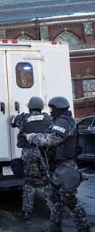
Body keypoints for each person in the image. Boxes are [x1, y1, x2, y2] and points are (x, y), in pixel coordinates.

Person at [27, 97, 90, 232]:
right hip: (54, 168)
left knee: (70, 200)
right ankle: (55, 227)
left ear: (58, 108)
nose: (50, 112)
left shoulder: (64, 122)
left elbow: (52, 139)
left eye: (52, 108)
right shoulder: (57, 121)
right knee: (53, 200)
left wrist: (33, 137)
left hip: (65, 168)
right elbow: (48, 135)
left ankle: (83, 227)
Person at [11, 97, 53, 220]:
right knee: (47, 182)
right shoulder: (48, 118)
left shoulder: (24, 118)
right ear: (41, 107)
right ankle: (51, 211)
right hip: (45, 152)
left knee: (29, 182)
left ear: (30, 107)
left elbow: (12, 122)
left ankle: (27, 212)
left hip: (29, 152)